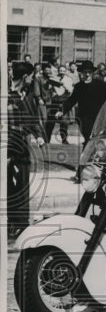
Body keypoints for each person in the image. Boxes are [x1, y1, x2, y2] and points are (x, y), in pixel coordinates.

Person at [7, 62, 46, 238]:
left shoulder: (26, 94)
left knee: (22, 184)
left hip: (22, 146)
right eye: (31, 76)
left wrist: (38, 134)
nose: (32, 80)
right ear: (25, 77)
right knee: (8, 185)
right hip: (8, 146)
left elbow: (30, 117)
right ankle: (11, 221)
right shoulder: (7, 94)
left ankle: (20, 223)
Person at [58, 60, 106, 181]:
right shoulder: (79, 87)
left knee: (96, 145)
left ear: (93, 73)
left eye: (89, 72)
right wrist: (62, 110)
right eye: (85, 72)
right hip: (85, 120)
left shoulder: (100, 85)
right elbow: (71, 100)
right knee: (89, 143)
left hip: (100, 119)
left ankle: (89, 172)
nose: (87, 75)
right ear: (81, 73)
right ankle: (82, 173)